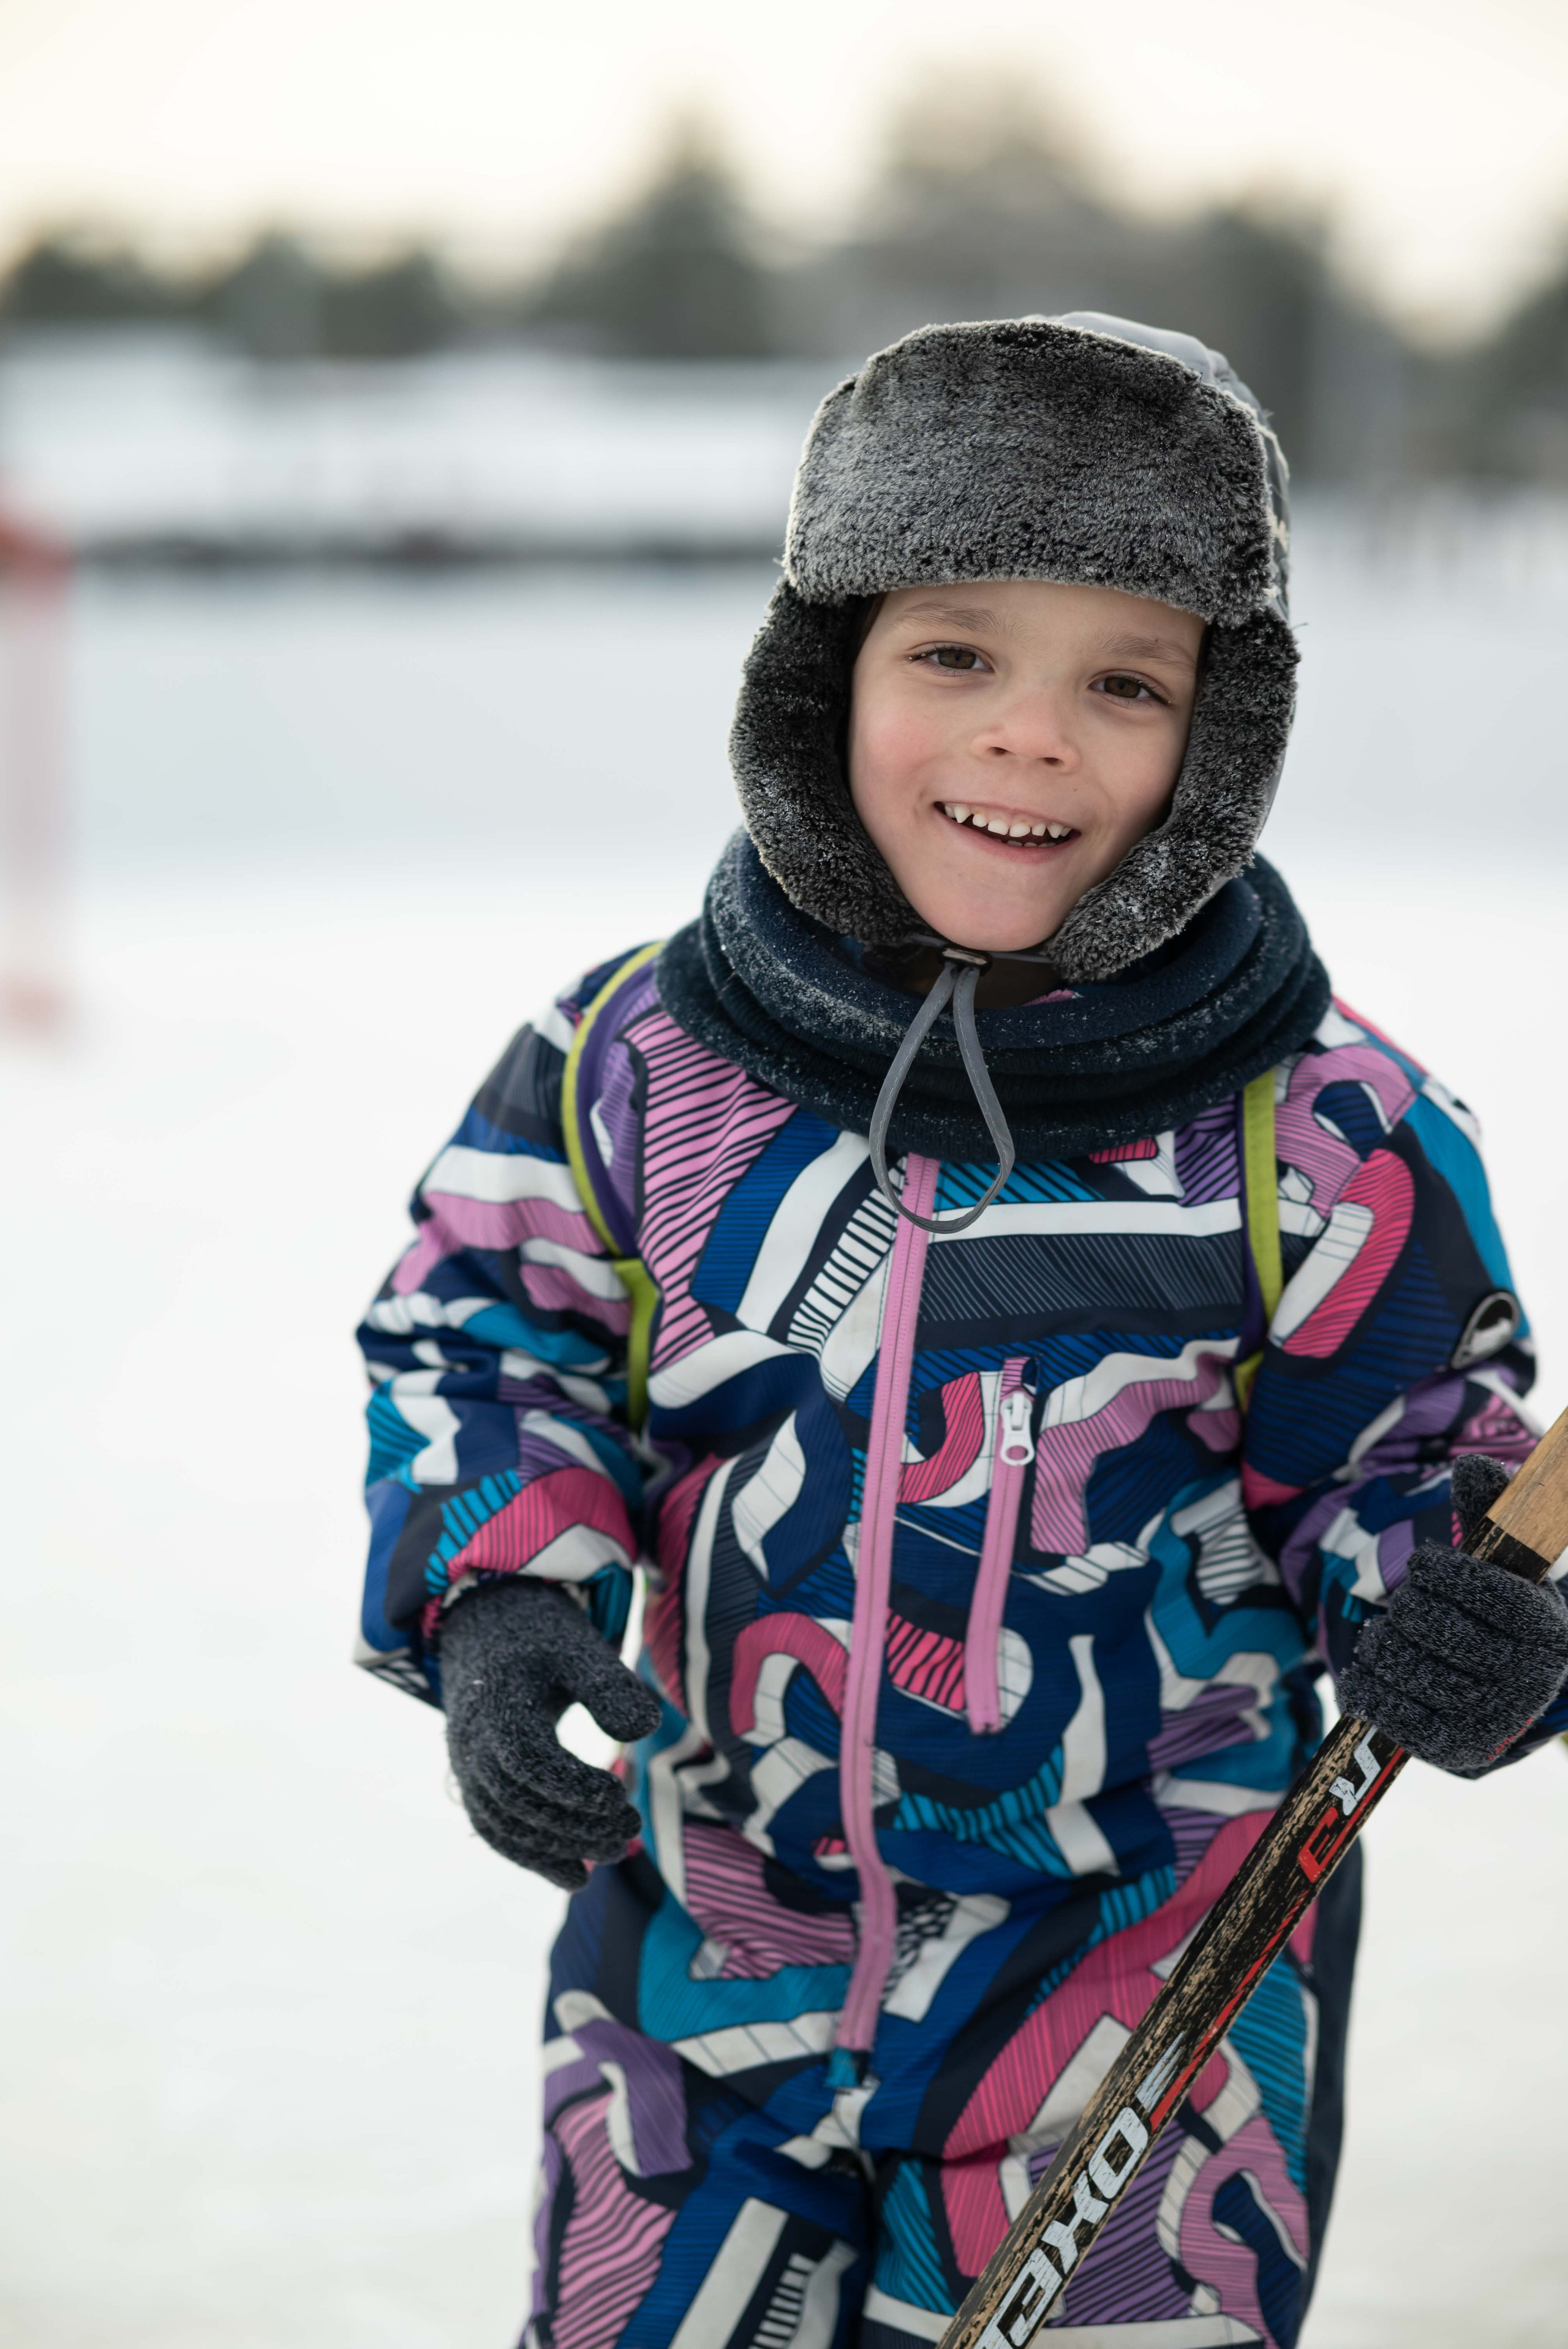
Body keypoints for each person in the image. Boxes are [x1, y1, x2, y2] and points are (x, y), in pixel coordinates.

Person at [354, 316, 1568, 2349]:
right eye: (956, 654)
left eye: (1125, 681)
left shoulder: (1327, 1131)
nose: (1030, 736)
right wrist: (498, 1605)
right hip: (702, 1960)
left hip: (1144, 2000)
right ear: (822, 670)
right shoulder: (634, 1058)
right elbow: (487, 1334)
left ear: (1225, 735)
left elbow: (1420, 1457)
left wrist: (1469, 1608)